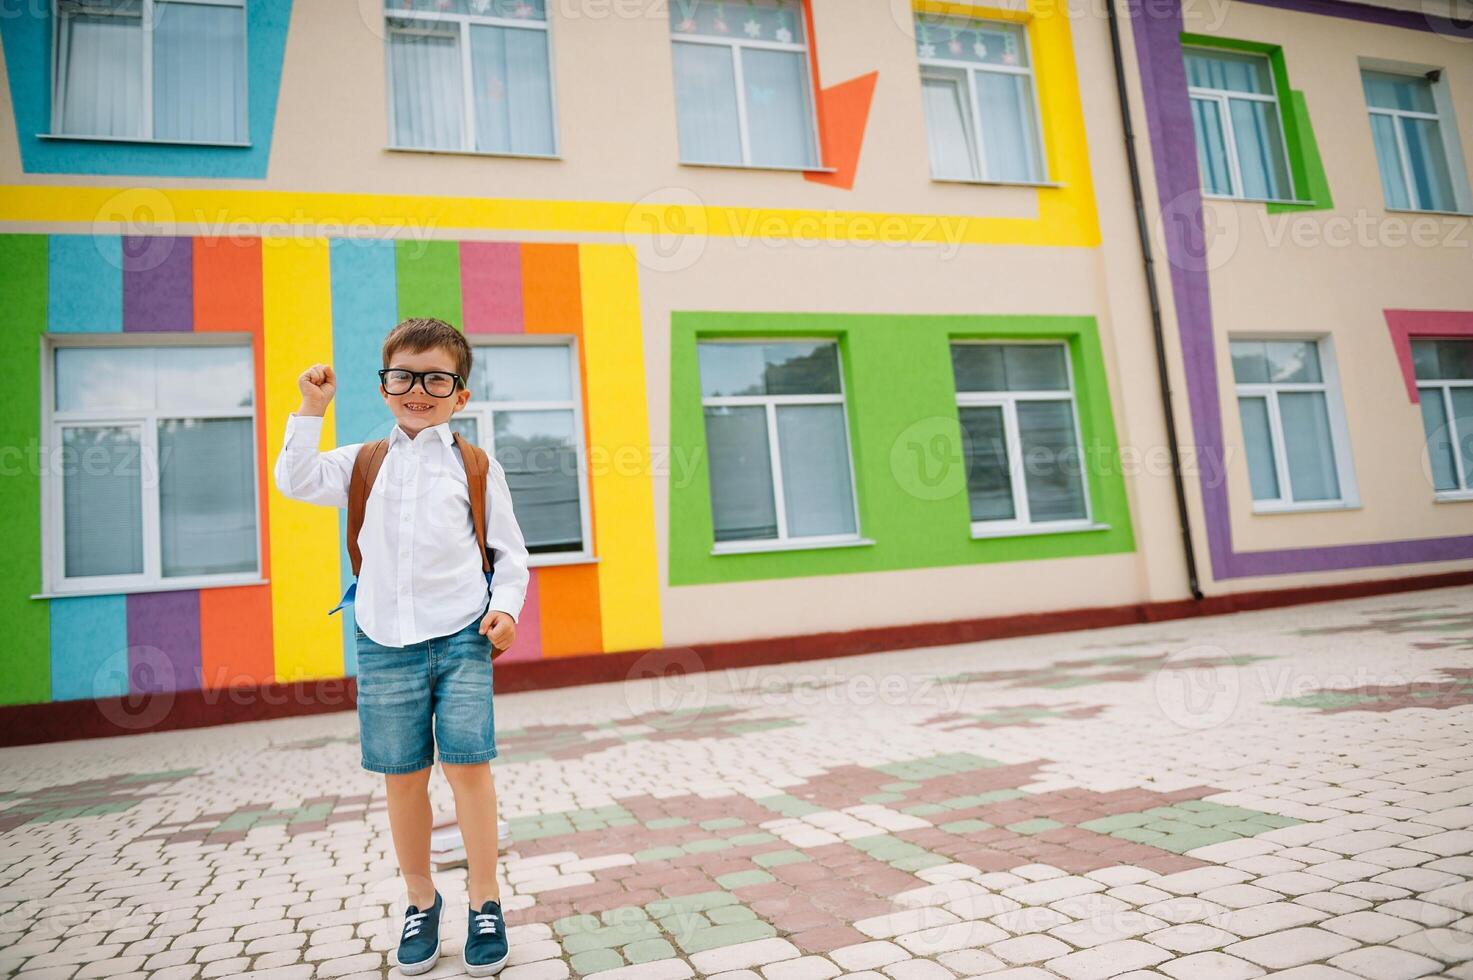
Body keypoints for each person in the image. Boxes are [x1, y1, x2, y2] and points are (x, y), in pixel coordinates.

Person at [274, 317, 529, 977]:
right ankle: (421, 898)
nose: (419, 389)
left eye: (436, 378)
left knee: (470, 770)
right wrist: (310, 408)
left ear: (460, 394)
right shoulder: (361, 462)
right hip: (384, 640)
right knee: (402, 776)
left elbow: (510, 556)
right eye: (404, 376)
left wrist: (504, 609)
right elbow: (293, 480)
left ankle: (484, 900)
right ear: (384, 386)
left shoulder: (474, 466)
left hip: (463, 635)